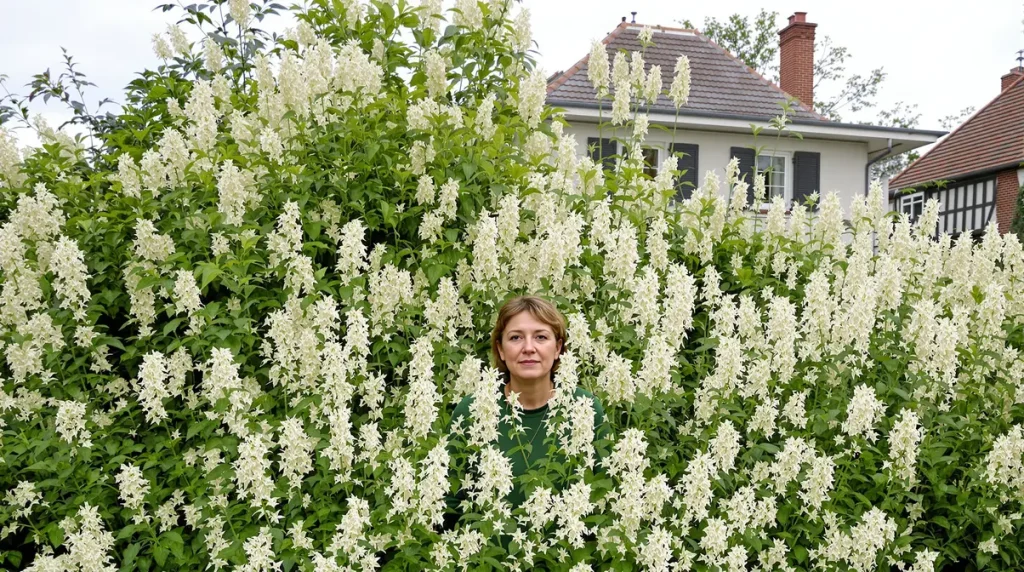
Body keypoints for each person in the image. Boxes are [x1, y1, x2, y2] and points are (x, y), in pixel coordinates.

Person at [447, 295, 607, 511]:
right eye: (515, 338)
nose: (529, 348)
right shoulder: (471, 410)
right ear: (501, 349)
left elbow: (603, 492)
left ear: (558, 348)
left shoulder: (586, 408)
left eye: (541, 337)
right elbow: (450, 500)